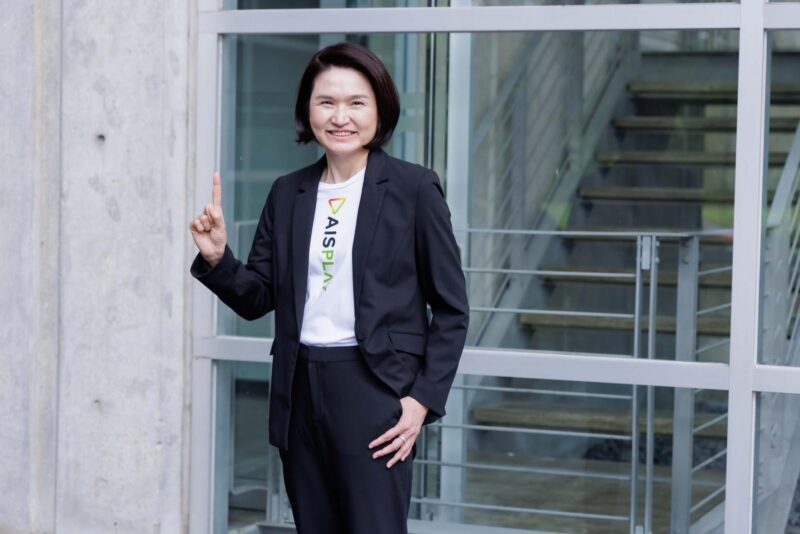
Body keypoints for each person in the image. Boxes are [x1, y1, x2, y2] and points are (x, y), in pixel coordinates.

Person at [189, 42, 468, 534]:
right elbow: (258, 298)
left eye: (356, 102)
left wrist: (420, 400)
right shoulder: (288, 192)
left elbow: (451, 308)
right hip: (299, 390)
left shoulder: (414, 189)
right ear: (308, 111)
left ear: (380, 109)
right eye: (326, 102)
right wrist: (218, 259)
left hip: (374, 389)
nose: (341, 117)